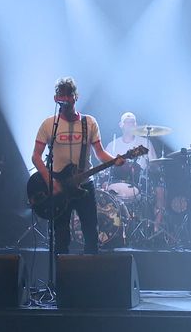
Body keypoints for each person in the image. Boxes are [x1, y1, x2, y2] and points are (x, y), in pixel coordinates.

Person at [31, 77, 124, 254]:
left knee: (91, 233)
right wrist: (51, 181)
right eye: (61, 95)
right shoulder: (49, 124)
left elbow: (100, 152)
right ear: (56, 98)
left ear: (75, 97)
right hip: (57, 186)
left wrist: (115, 160)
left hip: (84, 185)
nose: (65, 98)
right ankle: (61, 278)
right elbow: (36, 156)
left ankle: (90, 276)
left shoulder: (89, 123)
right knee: (61, 237)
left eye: (68, 95)